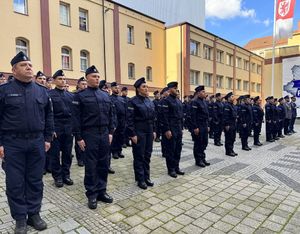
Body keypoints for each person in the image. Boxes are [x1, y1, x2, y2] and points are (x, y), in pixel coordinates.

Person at [0, 51, 54, 233]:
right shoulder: (4, 91)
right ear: (14, 71)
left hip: (36, 142)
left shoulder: (42, 91)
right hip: (12, 143)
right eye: (24, 65)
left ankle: (34, 214)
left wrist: (47, 139)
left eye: (30, 64)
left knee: (35, 180)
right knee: (15, 183)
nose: (29, 67)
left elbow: (49, 116)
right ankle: (20, 218)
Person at [73, 65, 114, 209]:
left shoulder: (105, 95)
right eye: (94, 76)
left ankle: (102, 191)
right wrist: (79, 138)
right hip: (89, 134)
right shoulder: (80, 96)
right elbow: (76, 119)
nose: (97, 79)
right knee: (91, 165)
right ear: (87, 78)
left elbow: (111, 115)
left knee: (103, 163)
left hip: (104, 133)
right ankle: (91, 194)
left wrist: (110, 133)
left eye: (98, 77)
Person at [126, 77, 156, 190]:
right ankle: (140, 179)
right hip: (139, 131)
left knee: (147, 155)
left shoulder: (149, 100)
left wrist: (154, 130)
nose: (147, 88)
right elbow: (129, 120)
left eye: (147, 86)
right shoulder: (132, 101)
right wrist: (132, 134)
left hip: (148, 131)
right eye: (144, 87)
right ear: (138, 89)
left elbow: (154, 118)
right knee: (139, 156)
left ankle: (146, 177)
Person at [48, 70, 74, 188]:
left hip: (68, 128)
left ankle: (66, 175)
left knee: (67, 153)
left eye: (64, 79)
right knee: (55, 154)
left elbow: (74, 113)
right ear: (54, 80)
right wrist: (51, 129)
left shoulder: (70, 95)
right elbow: (48, 114)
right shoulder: (49, 94)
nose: (63, 81)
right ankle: (57, 177)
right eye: (60, 79)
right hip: (56, 127)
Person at [160, 82, 184, 178]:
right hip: (171, 127)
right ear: (169, 90)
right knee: (171, 149)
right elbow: (164, 117)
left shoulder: (178, 101)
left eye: (176, 88)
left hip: (178, 127)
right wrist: (167, 130)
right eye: (174, 88)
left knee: (178, 149)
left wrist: (181, 128)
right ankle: (171, 169)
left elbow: (181, 116)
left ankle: (176, 167)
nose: (176, 90)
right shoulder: (166, 101)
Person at [190, 85, 210, 167]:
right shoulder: (195, 102)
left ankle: (202, 158)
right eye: (203, 91)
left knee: (204, 142)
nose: (204, 93)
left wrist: (208, 125)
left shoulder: (204, 101)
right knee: (198, 143)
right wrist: (195, 127)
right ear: (198, 93)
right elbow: (193, 116)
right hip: (199, 125)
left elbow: (207, 115)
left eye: (204, 91)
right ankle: (198, 160)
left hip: (204, 125)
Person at [110, 82, 127, 159]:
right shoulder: (109, 98)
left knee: (121, 136)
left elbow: (126, 110)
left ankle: (119, 151)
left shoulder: (122, 99)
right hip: (114, 120)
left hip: (122, 120)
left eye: (118, 88)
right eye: (115, 88)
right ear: (112, 89)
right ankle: (114, 152)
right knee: (115, 137)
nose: (117, 89)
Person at [74, 77, 87, 167]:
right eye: (83, 84)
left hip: (86, 123)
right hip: (78, 123)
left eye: (86, 84)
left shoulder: (88, 94)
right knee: (78, 142)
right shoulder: (75, 95)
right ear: (78, 85)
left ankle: (85, 156)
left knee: (86, 142)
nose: (85, 86)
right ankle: (79, 159)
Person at [223, 92, 238, 157]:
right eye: (232, 96)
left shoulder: (232, 105)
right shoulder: (226, 105)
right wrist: (226, 125)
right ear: (228, 98)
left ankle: (231, 150)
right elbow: (225, 116)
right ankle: (228, 151)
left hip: (233, 124)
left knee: (232, 138)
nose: (233, 97)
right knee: (228, 138)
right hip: (229, 124)